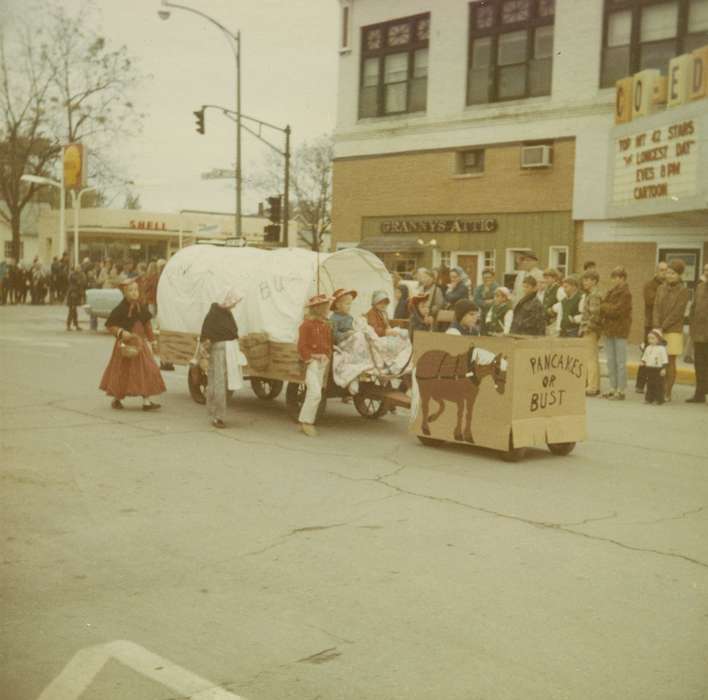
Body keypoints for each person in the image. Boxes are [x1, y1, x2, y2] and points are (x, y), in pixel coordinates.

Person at [99, 279, 165, 411]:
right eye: (131, 290)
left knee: (147, 370)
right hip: (126, 346)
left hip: (140, 346)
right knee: (123, 372)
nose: (134, 293)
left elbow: (147, 326)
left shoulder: (142, 307)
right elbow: (110, 325)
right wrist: (121, 332)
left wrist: (153, 341)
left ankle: (147, 402)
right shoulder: (120, 308)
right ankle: (117, 399)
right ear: (124, 293)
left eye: (136, 290)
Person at [200, 288, 242, 428]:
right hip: (219, 351)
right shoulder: (214, 315)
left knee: (229, 383)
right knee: (218, 383)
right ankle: (217, 416)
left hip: (230, 351)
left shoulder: (226, 313)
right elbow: (206, 336)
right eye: (233, 302)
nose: (234, 305)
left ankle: (217, 411)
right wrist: (204, 354)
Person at [653, 259, 690, 402]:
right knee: (658, 360)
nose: (669, 275)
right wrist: (656, 326)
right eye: (668, 272)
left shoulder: (684, 291)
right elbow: (656, 307)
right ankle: (658, 390)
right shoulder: (660, 288)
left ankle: (667, 392)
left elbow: (677, 312)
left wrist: (663, 327)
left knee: (670, 361)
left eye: (673, 273)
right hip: (658, 328)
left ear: (679, 275)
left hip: (673, 329)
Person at [297, 294, 333, 437]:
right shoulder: (306, 325)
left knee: (313, 393)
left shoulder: (325, 325)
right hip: (311, 363)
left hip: (322, 363)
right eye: (324, 307)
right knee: (315, 393)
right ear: (317, 309)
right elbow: (302, 346)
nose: (327, 309)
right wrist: (313, 356)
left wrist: (327, 354)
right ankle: (307, 423)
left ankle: (303, 421)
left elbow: (328, 343)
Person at [636, 261, 669, 394]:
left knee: (661, 355)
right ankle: (640, 384)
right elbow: (651, 301)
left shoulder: (668, 286)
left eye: (666, 270)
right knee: (647, 354)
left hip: (665, 324)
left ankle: (657, 385)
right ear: (656, 271)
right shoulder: (650, 285)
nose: (664, 273)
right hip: (650, 325)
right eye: (661, 270)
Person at [600, 266, 632, 400]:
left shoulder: (626, 293)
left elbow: (617, 311)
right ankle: (613, 388)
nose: (615, 280)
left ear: (623, 279)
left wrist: (605, 306)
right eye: (613, 277)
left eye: (618, 277)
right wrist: (607, 307)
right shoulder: (610, 291)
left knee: (620, 361)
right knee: (610, 361)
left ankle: (621, 390)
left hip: (620, 330)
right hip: (609, 329)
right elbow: (607, 308)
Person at [686, 263, 708, 404]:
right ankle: (699, 394)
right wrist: (692, 324)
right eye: (705, 270)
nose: (707, 272)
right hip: (699, 333)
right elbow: (693, 308)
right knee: (699, 365)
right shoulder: (699, 287)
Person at [580, 271, 603, 397]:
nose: (584, 282)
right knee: (591, 358)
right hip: (592, 329)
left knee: (590, 359)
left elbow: (595, 314)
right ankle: (595, 385)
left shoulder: (594, 295)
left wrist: (586, 327)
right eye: (584, 279)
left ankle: (592, 387)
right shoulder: (591, 294)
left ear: (594, 281)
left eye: (587, 280)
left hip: (590, 330)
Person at [640, 329, 668, 405]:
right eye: (649, 338)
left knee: (658, 385)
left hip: (658, 369)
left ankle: (658, 399)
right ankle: (649, 398)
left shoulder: (662, 349)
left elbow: (664, 359)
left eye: (653, 338)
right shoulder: (648, 348)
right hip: (650, 368)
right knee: (650, 384)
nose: (650, 340)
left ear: (658, 339)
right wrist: (643, 362)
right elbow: (645, 356)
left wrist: (663, 368)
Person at [542, 268, 565, 335]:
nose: (545, 280)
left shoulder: (559, 290)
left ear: (554, 278)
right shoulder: (546, 290)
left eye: (548, 278)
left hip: (554, 322)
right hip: (546, 322)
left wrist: (553, 310)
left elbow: (563, 305)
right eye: (545, 278)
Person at [66, 265, 85, 331]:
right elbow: (79, 282)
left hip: (74, 295)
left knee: (74, 311)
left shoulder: (77, 275)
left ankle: (75, 325)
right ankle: (69, 325)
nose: (79, 269)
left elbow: (81, 284)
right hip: (73, 296)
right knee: (72, 311)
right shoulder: (74, 276)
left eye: (79, 268)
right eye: (78, 268)